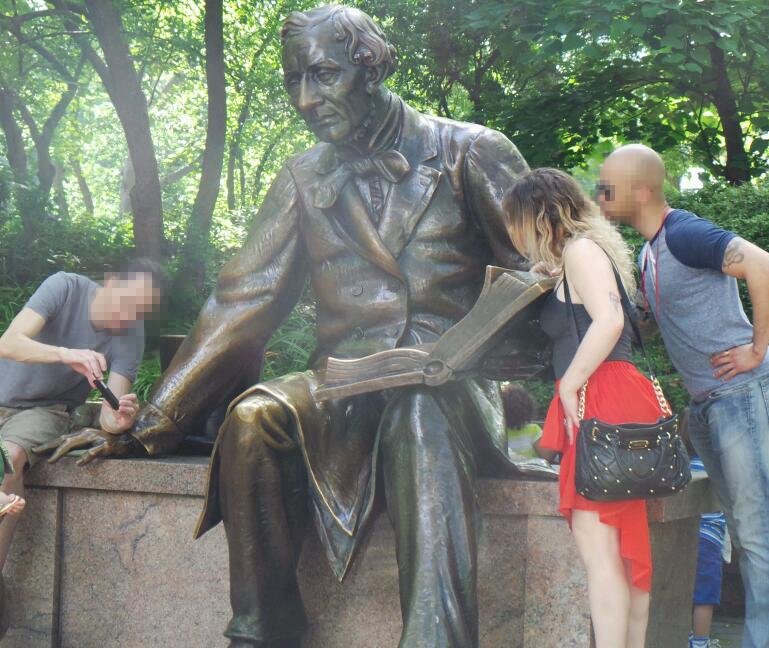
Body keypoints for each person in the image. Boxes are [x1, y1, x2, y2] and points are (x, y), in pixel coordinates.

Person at [36, 6, 544, 648]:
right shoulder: (304, 176)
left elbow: (542, 267)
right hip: (346, 385)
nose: (306, 98)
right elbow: (240, 302)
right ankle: (264, 629)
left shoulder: (472, 151)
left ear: (373, 67)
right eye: (293, 80)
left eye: (324, 74)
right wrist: (152, 425)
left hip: (451, 384)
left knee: (420, 410)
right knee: (253, 418)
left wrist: (509, 343)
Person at [598, 143, 769, 648]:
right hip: (707, 408)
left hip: (739, 395)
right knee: (745, 531)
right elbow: (647, 327)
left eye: (607, 187)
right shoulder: (651, 252)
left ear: (643, 191)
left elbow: (761, 262)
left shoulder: (685, 233)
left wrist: (758, 348)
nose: (599, 194)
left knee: (758, 536)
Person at [503, 167, 669, 648]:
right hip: (610, 395)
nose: (514, 234)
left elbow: (610, 319)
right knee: (618, 549)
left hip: (598, 396)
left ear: (538, 215)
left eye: (516, 221)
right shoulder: (580, 253)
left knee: (601, 555)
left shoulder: (579, 251)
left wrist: (570, 383)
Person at [0, 258, 164, 581]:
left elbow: (109, 417)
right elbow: (8, 342)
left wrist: (122, 418)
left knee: (10, 457)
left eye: (140, 313)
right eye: (129, 304)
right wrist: (66, 354)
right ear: (112, 281)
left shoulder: (130, 337)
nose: (130, 317)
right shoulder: (65, 287)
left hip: (45, 410)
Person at [500, 381, 556, 462]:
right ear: (528, 408)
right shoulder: (533, 430)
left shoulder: (497, 432)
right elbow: (547, 457)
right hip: (530, 472)